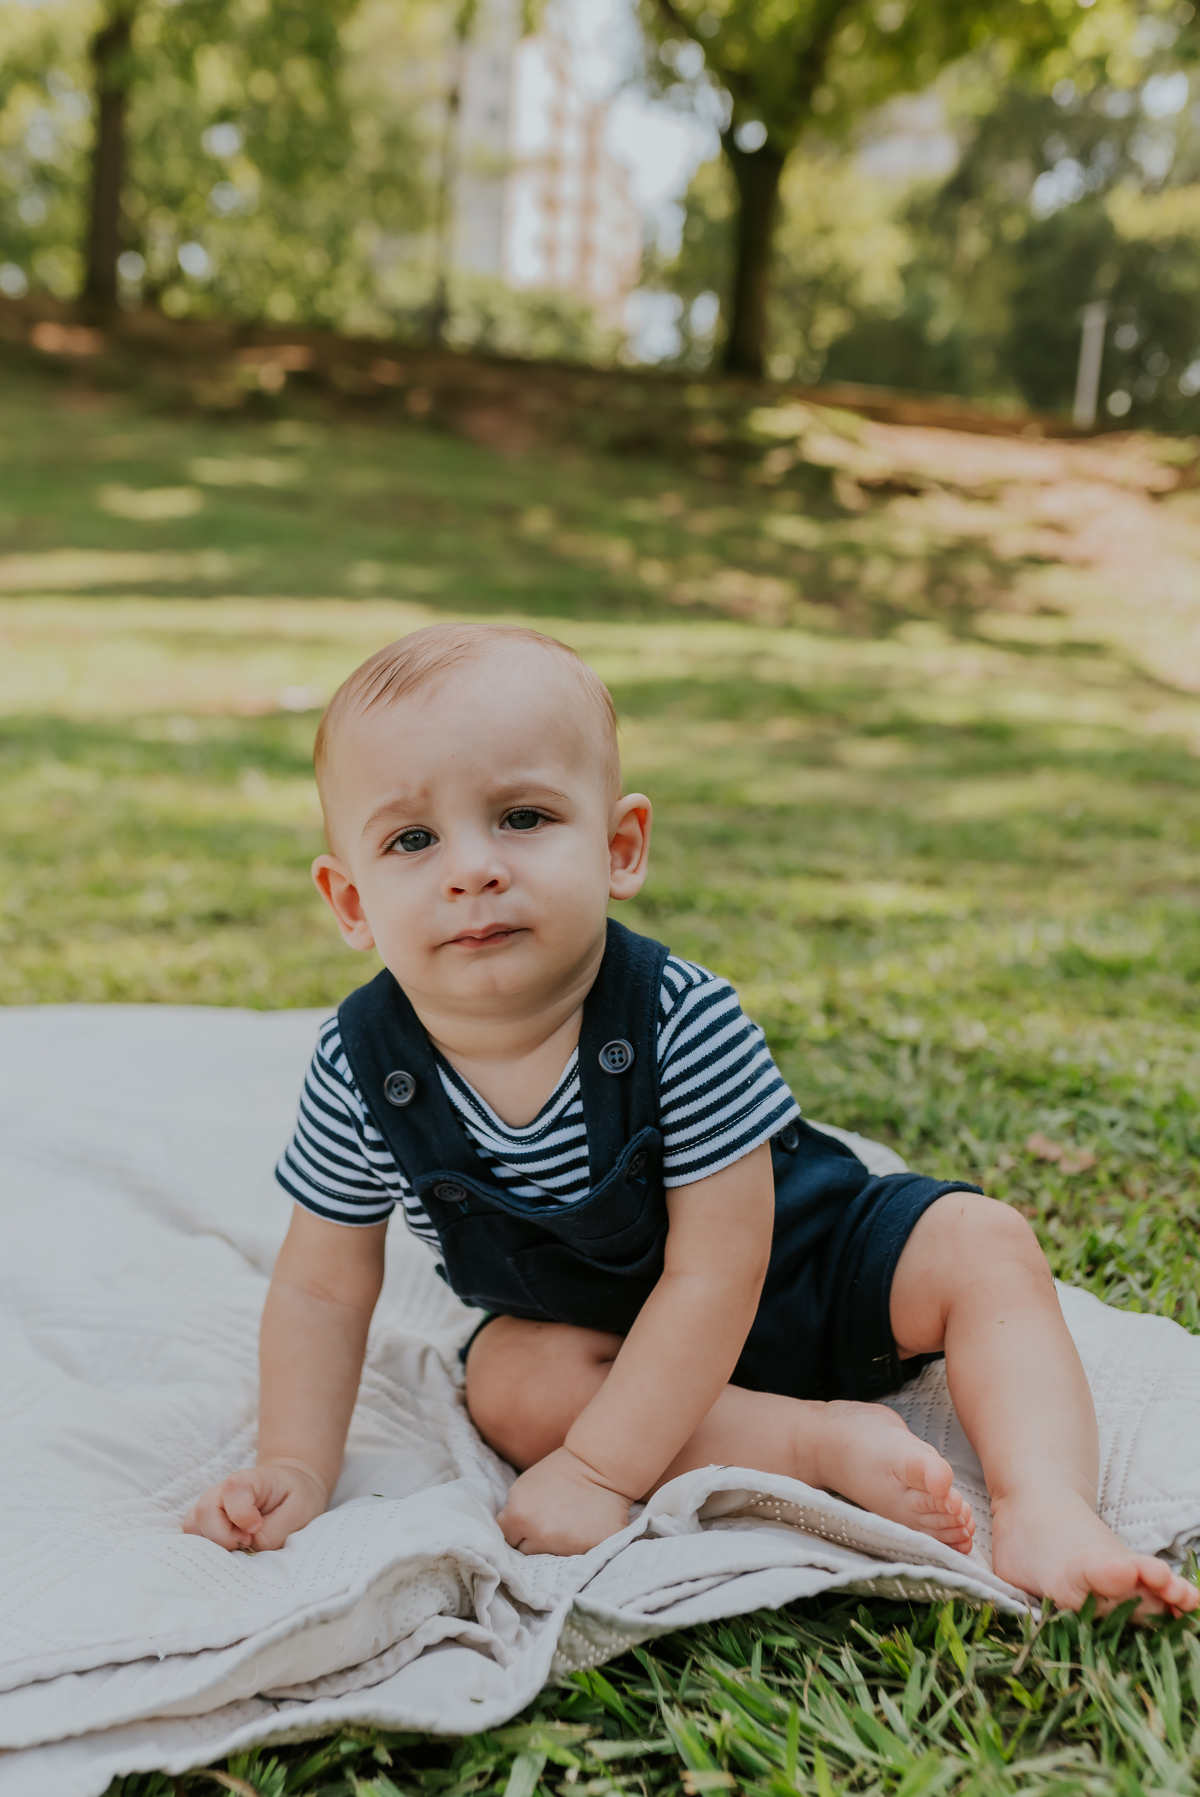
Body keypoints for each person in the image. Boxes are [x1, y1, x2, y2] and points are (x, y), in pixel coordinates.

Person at [184, 623, 1196, 1618]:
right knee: (506, 1382)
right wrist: (295, 1463)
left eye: (523, 817)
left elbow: (721, 1271)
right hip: (608, 1335)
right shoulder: (361, 1065)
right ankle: (809, 1443)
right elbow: (321, 1286)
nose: (473, 868)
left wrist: (600, 1468)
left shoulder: (677, 1014)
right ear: (350, 902)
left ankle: (1046, 1506)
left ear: (620, 848)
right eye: (413, 839)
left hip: (803, 1273)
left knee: (982, 1242)